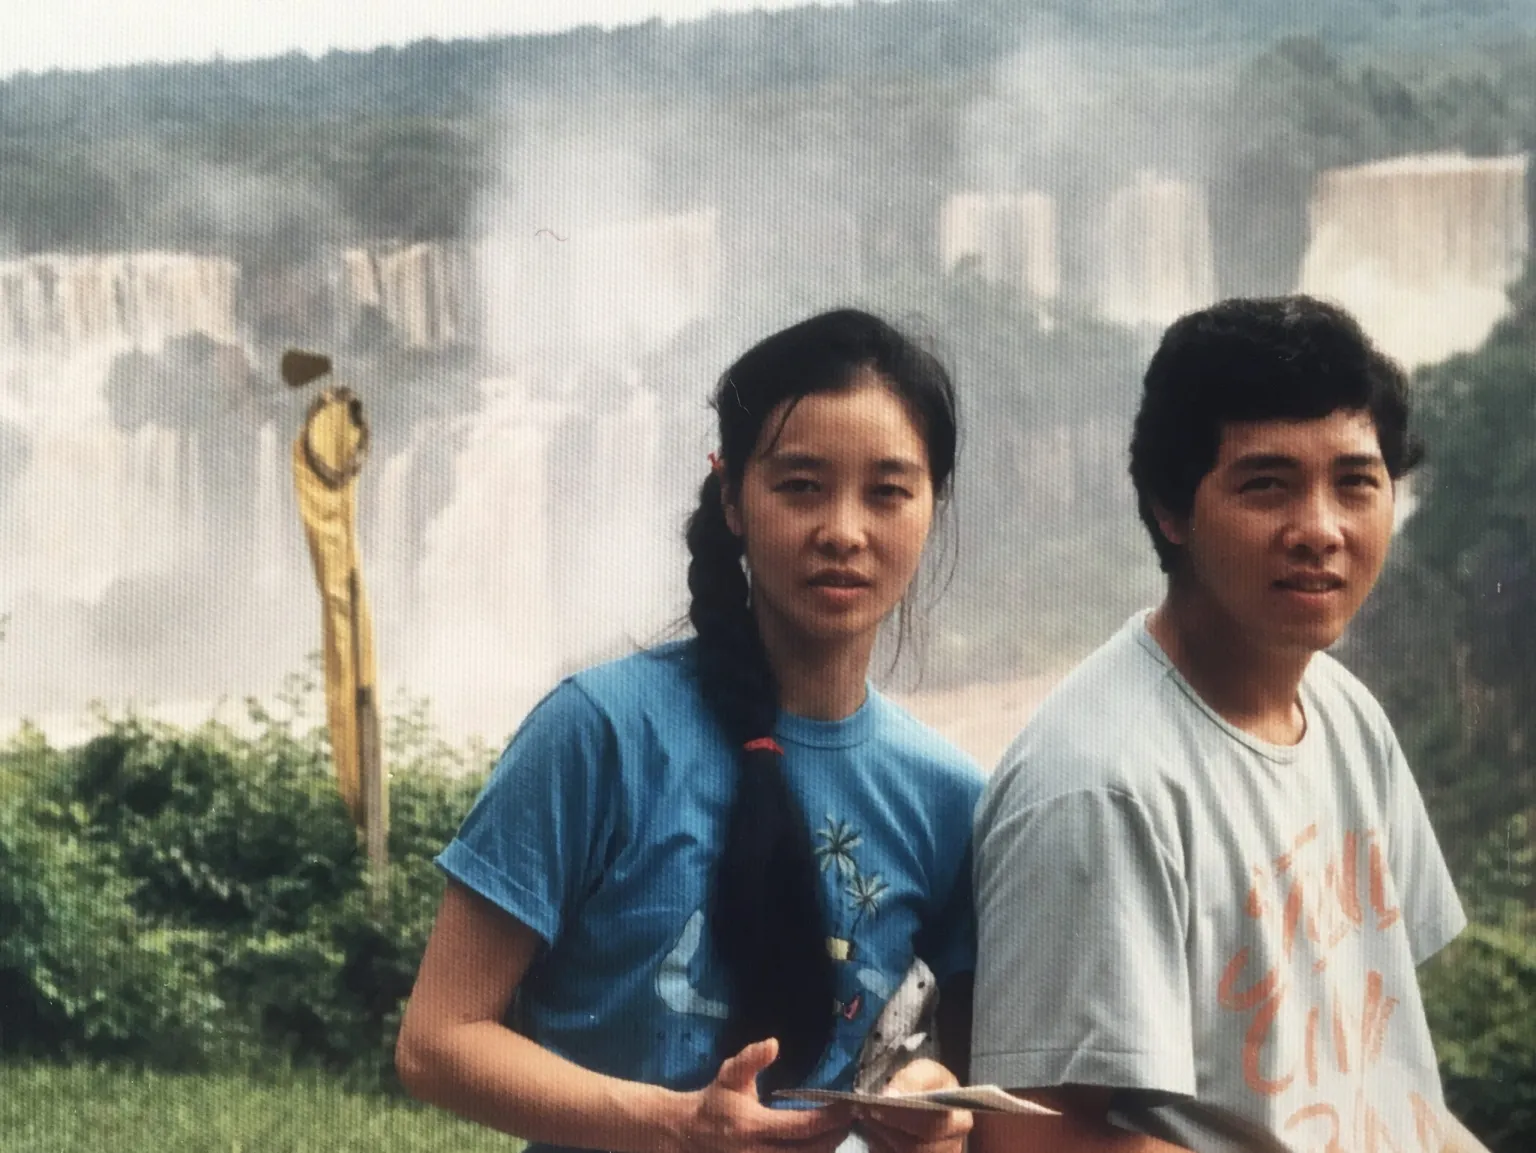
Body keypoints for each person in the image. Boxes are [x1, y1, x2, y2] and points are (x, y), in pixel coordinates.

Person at [396, 308, 982, 1153]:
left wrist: (935, 1102)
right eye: (800, 485)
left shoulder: (950, 800)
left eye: (887, 491)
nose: (843, 531)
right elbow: (437, 1041)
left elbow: (967, 1078)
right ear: (732, 495)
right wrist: (676, 1124)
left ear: (932, 505)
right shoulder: (599, 733)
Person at [968, 296, 1491, 1153]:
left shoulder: (1346, 713)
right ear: (1171, 509)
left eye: (1356, 482)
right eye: (1266, 485)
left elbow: (1383, 1085)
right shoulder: (1100, 785)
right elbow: (1032, 1141)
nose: (1319, 529)